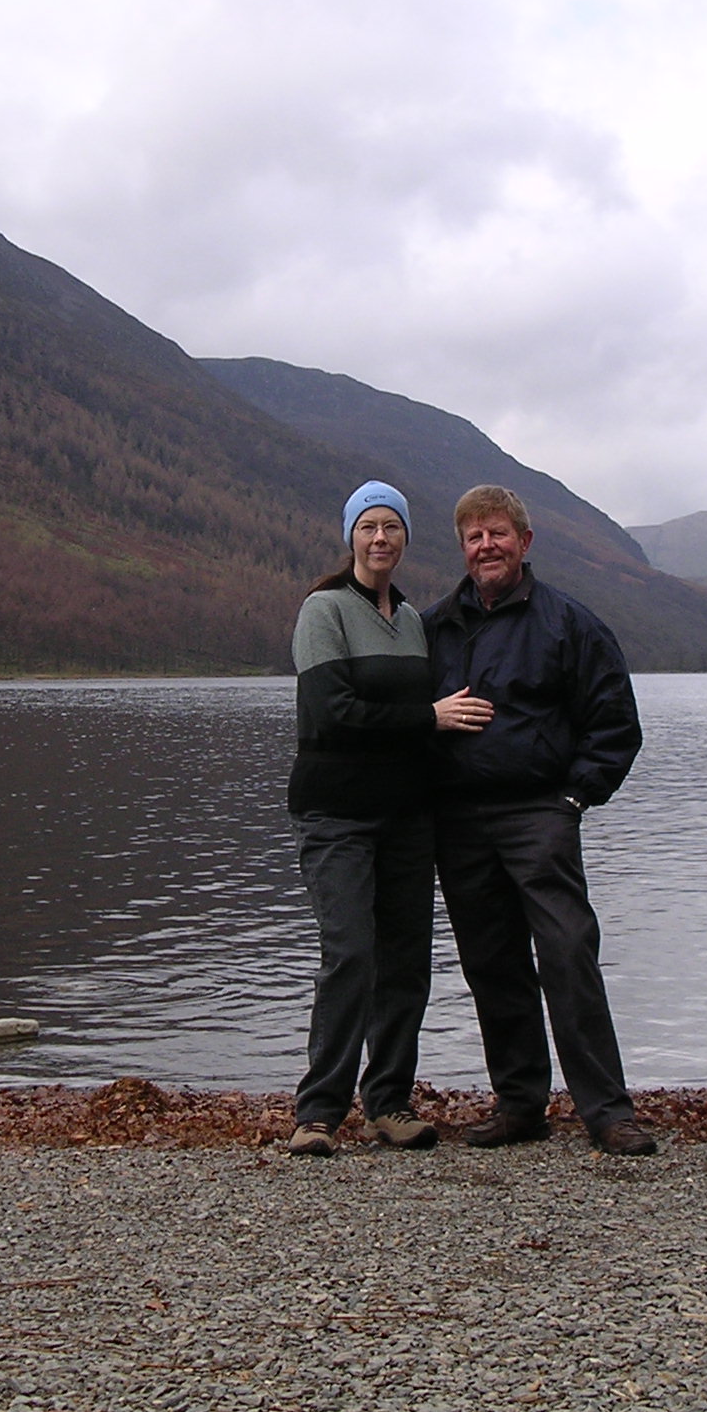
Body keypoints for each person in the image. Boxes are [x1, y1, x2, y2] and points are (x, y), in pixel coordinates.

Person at [423, 484, 656, 1156]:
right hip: (461, 822)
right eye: (473, 536)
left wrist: (576, 799)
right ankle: (520, 1103)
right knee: (492, 965)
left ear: (525, 544)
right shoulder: (438, 626)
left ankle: (607, 1112)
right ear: (463, 549)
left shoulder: (570, 625)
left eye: (497, 534)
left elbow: (615, 725)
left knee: (567, 953)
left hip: (540, 814)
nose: (485, 546)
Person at [286, 479, 493, 1157]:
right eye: (369, 526)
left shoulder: (411, 622)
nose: (381, 538)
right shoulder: (324, 610)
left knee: (406, 964)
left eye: (392, 527)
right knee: (350, 954)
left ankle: (389, 1103)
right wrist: (427, 717)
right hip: (336, 815)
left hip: (406, 819)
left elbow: (424, 726)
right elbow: (332, 714)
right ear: (351, 536)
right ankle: (317, 1113)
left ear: (405, 538)